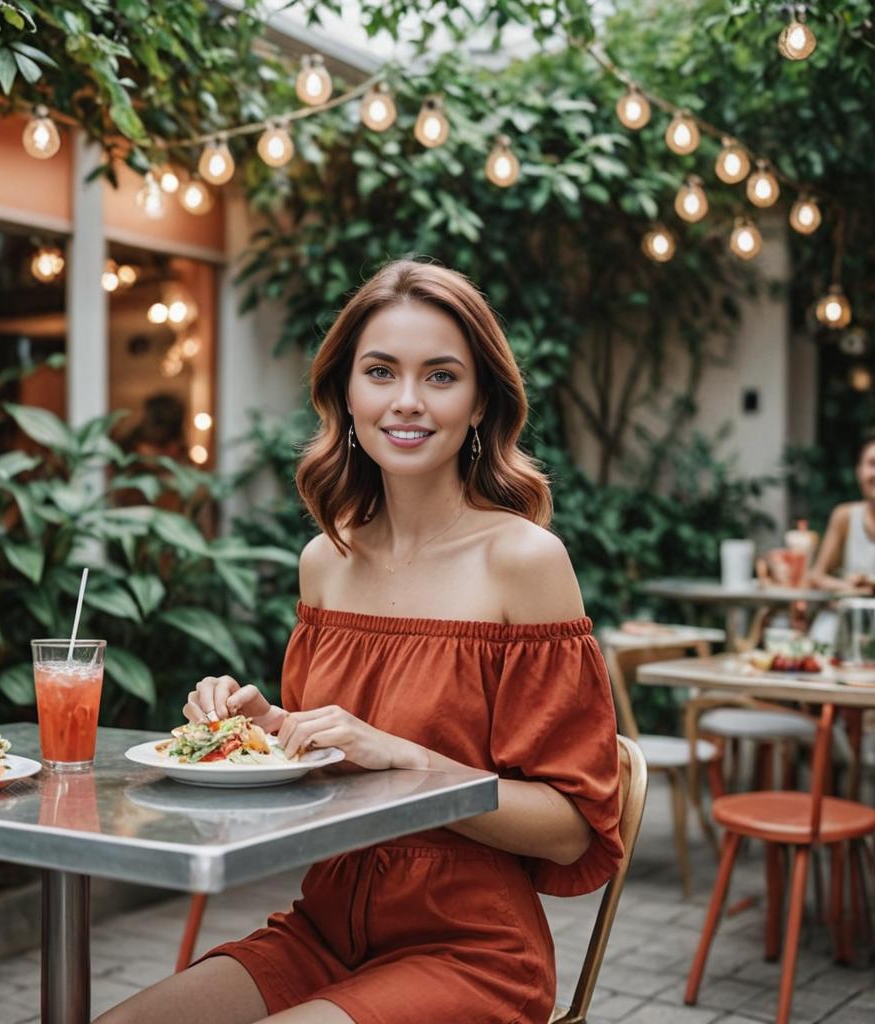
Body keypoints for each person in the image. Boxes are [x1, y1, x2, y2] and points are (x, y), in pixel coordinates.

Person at [96, 259, 623, 1024]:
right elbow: (337, 767)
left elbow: (572, 830)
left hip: (471, 950)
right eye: (381, 372)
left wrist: (407, 757)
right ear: (347, 392)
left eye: (441, 377)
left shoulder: (525, 562)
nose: (407, 401)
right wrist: (260, 731)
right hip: (324, 929)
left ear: (480, 404)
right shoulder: (327, 560)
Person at [809, 431, 875, 593]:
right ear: (858, 471)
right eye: (872, 464)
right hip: (848, 615)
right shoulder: (845, 517)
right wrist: (851, 587)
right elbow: (816, 577)